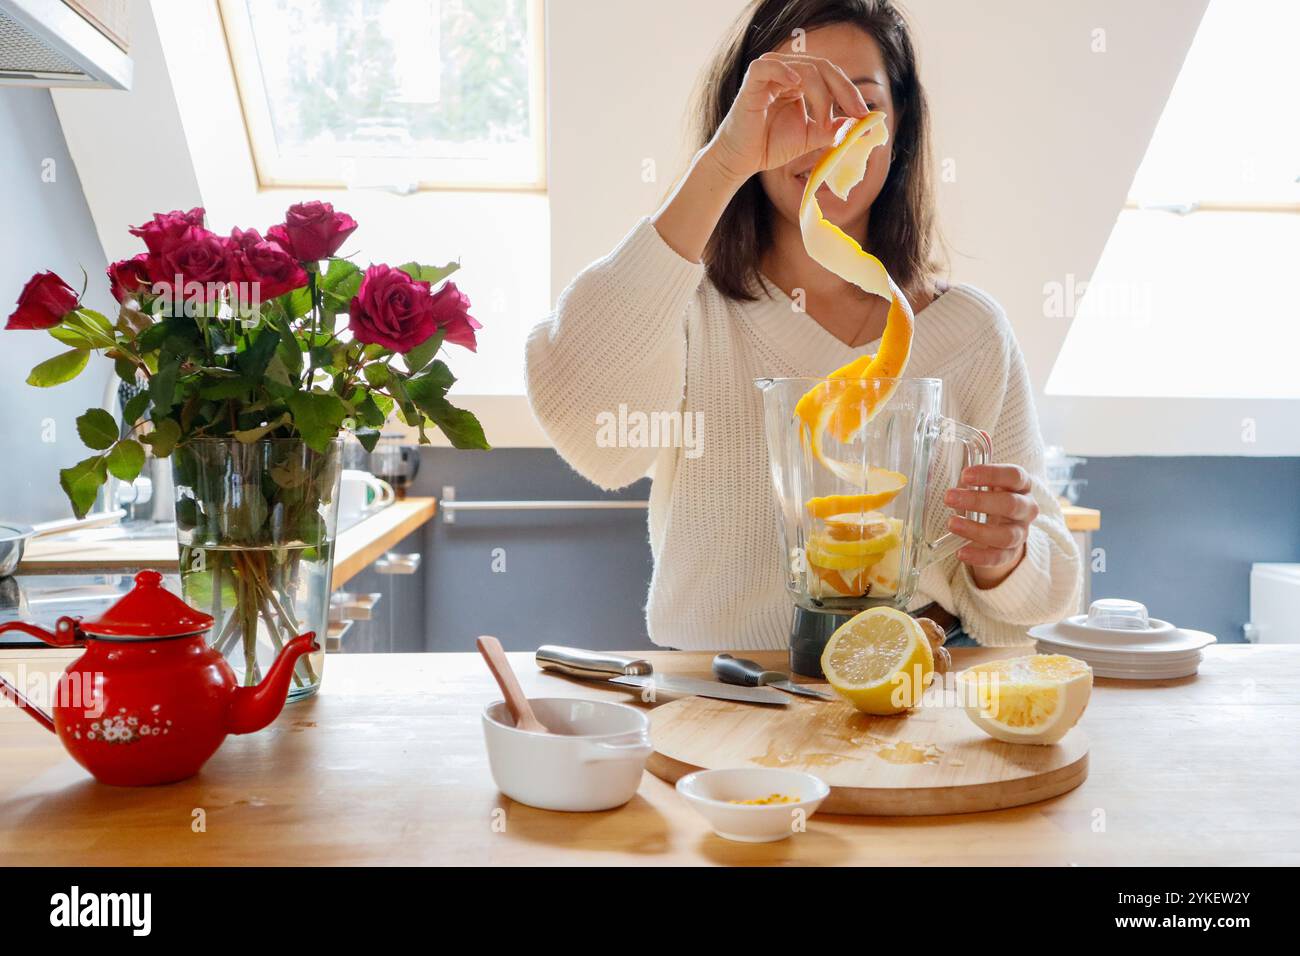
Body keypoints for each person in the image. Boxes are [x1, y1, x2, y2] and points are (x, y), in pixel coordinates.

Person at [526, 0, 1081, 650]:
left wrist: (1002, 559)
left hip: (904, 705)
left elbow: (1037, 596)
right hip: (720, 706)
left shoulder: (971, 331)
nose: (830, 135)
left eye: (862, 106)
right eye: (795, 103)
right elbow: (593, 434)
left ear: (898, 128)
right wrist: (723, 163)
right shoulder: (688, 311)